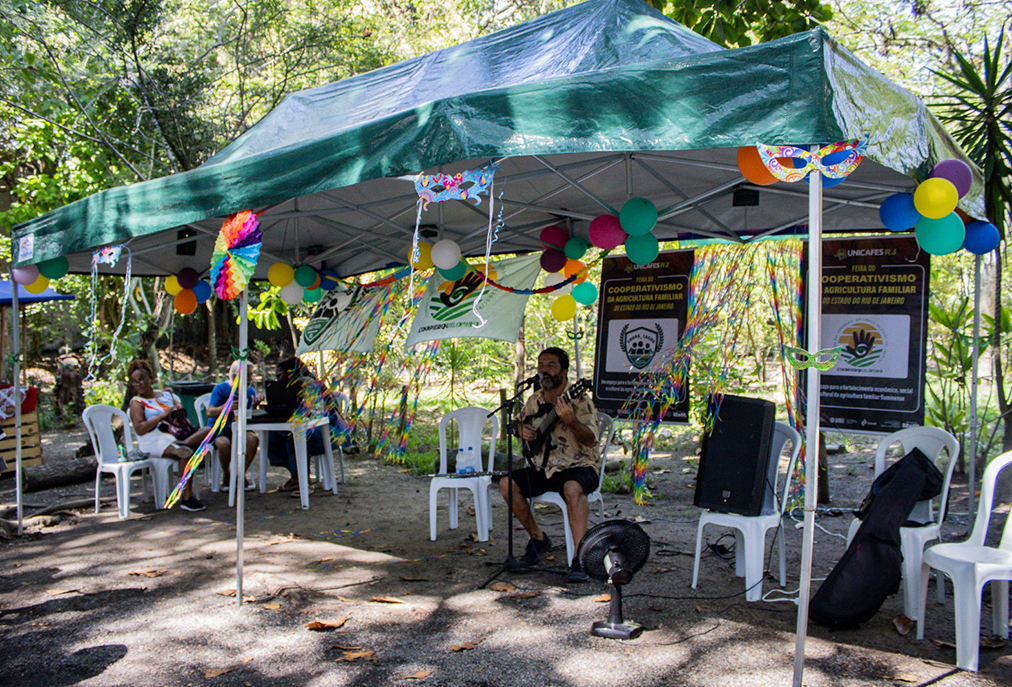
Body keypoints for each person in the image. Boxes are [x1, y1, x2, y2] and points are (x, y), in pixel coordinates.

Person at [500, 347, 599, 583]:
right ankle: (538, 539)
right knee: (507, 484)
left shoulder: (580, 400)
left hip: (578, 466)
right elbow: (515, 424)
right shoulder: (534, 399)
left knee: (572, 488)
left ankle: (580, 556)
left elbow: (590, 439)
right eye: (541, 365)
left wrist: (571, 420)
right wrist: (519, 430)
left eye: (550, 365)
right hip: (543, 468)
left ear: (564, 372)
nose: (544, 370)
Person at [126, 359, 216, 512]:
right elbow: (140, 429)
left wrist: (177, 410)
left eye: (142, 379)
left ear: (151, 379)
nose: (139, 384)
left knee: (209, 430)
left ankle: (183, 445)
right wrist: (161, 416)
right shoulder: (137, 402)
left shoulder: (167, 395)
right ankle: (187, 497)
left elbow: (181, 415)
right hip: (154, 438)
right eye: (134, 382)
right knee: (188, 453)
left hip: (177, 434)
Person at [266, 358, 349, 493]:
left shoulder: (307, 384)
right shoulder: (290, 387)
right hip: (309, 429)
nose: (277, 379)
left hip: (329, 432)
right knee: (274, 436)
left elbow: (309, 413)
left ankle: (305, 483)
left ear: (289, 373)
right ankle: (296, 477)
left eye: (279, 375)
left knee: (295, 437)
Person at [207, 360, 261, 492]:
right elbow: (210, 412)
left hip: (240, 429)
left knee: (253, 439)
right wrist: (226, 408)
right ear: (236, 375)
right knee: (224, 444)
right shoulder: (221, 388)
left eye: (251, 375)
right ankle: (228, 475)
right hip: (220, 430)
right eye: (247, 375)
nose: (250, 378)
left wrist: (254, 407)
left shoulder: (250, 391)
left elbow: (249, 416)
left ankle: (239, 475)